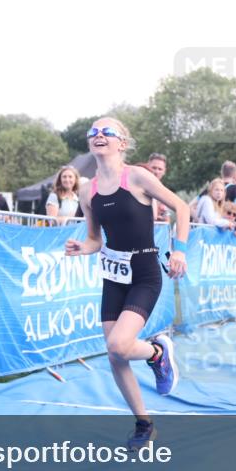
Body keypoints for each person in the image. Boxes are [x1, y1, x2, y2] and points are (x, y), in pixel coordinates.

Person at [64, 118, 190, 451]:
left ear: (122, 143)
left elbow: (181, 207)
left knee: (120, 345)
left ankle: (157, 351)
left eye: (108, 132)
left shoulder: (136, 176)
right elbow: (94, 239)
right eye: (93, 132)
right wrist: (83, 248)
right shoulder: (86, 189)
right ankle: (144, 424)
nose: (99, 136)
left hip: (144, 272)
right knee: (115, 355)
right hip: (113, 276)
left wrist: (180, 250)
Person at [144, 153, 170, 221]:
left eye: (160, 169)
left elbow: (167, 219)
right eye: (154, 168)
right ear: (147, 167)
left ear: (164, 171)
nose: (156, 171)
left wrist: (163, 217)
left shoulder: (164, 191)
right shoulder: (139, 186)